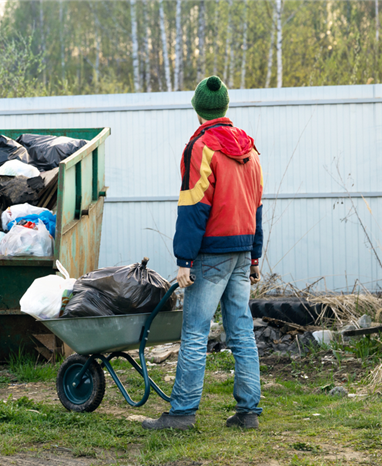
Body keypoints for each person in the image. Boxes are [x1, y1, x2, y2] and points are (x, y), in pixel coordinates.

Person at [142, 75, 264, 431]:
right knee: (241, 332)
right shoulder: (251, 149)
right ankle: (248, 413)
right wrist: (255, 256)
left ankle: (181, 414)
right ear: (224, 107)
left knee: (195, 332)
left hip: (211, 254)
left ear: (198, 110)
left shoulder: (201, 147)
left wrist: (185, 259)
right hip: (242, 250)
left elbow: (193, 206)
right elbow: (257, 207)